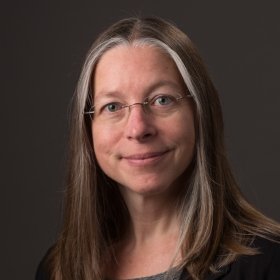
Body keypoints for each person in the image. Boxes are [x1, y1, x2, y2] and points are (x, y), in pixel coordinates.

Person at [36, 16, 280, 280]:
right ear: (88, 128)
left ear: (200, 113)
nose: (138, 129)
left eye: (162, 100)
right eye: (113, 107)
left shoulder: (269, 262)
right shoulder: (56, 269)